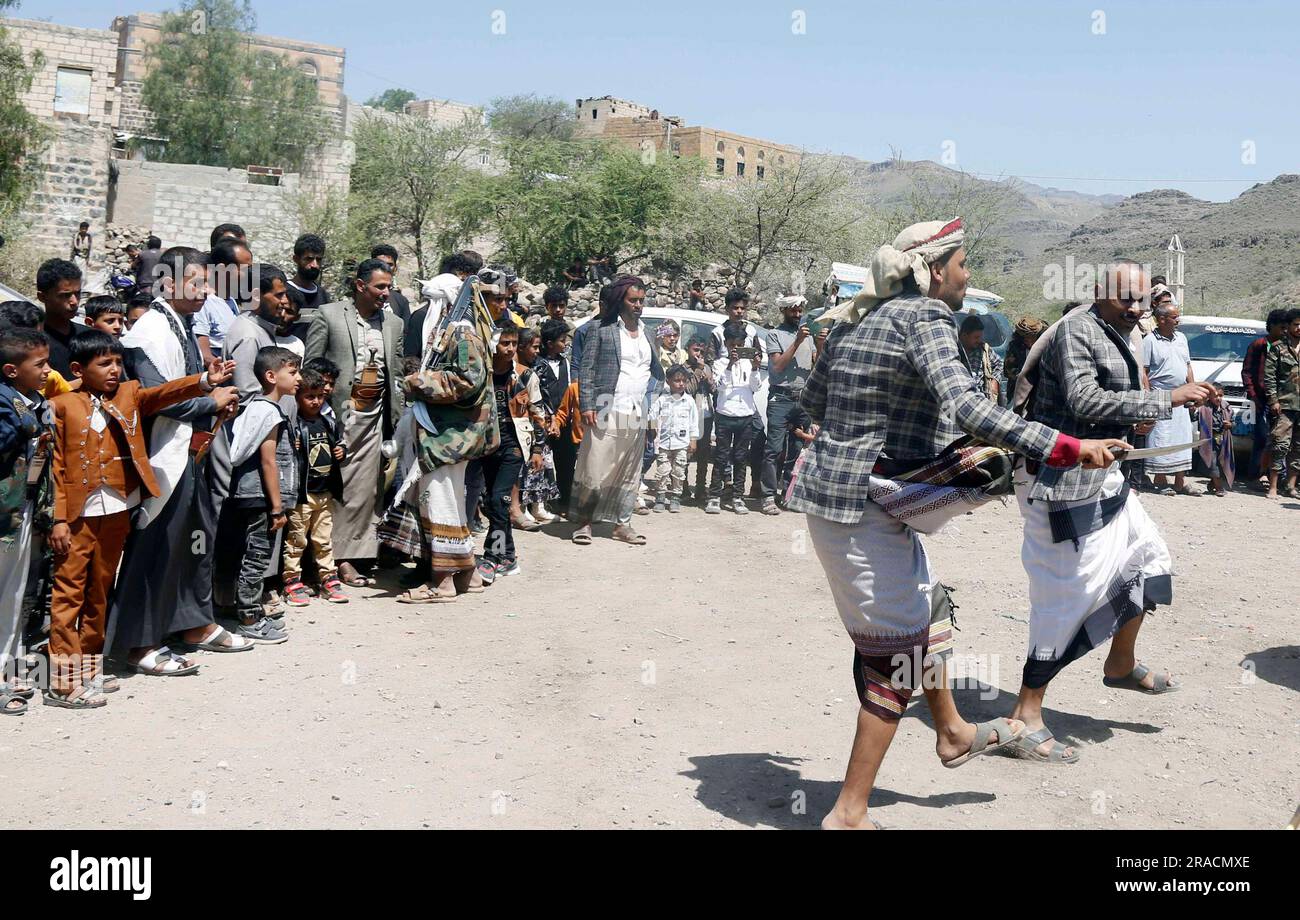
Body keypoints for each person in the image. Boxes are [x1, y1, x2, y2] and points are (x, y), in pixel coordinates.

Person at [787, 218, 1124, 829]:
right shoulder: (925, 317)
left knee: (930, 611)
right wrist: (1068, 446)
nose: (970, 276)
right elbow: (969, 406)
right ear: (935, 270)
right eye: (964, 264)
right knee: (894, 660)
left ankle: (953, 732)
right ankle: (847, 815)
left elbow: (808, 409)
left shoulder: (854, 317)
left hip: (853, 501)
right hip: (862, 511)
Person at [1006, 261, 1212, 762]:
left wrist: (1142, 413)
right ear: (1099, 292)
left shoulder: (1119, 329)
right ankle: (1024, 715)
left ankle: (1120, 664)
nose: (1139, 310)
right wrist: (1165, 400)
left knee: (1148, 558)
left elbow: (1115, 399)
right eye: (1128, 300)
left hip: (1107, 477)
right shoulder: (1078, 329)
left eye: (1144, 300)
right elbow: (1084, 398)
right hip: (1061, 483)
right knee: (1065, 597)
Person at [47, 330, 233, 706]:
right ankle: (63, 680)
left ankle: (90, 666)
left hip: (117, 510)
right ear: (78, 369)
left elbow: (161, 394)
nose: (115, 370)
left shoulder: (128, 394)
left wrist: (202, 382)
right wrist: (59, 519)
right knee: (68, 593)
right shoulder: (62, 405)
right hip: (78, 516)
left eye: (117, 362)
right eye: (105, 364)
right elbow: (57, 468)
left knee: (100, 590)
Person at [107, 247, 250, 673]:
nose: (207, 291)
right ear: (170, 283)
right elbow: (155, 400)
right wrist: (210, 401)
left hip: (192, 451)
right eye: (198, 282)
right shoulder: (148, 333)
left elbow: (186, 386)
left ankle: (194, 623)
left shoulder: (181, 325)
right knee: (156, 547)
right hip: (161, 457)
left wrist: (213, 389)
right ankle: (139, 643)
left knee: (195, 541)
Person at [380, 282, 495, 604]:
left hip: (448, 439)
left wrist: (418, 381)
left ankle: (442, 583)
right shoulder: (451, 332)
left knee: (439, 503)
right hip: (444, 436)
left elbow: (468, 380)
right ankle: (469, 575)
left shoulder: (463, 335)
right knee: (451, 504)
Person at [304, 259, 404, 586]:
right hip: (339, 413)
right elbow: (313, 368)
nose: (386, 293)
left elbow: (397, 375)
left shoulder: (394, 324)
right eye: (380, 287)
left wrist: (397, 418)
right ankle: (330, 558)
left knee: (367, 487)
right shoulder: (330, 315)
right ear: (360, 286)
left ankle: (354, 554)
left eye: (388, 287)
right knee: (339, 483)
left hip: (374, 415)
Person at [214, 346, 301, 642]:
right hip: (261, 499)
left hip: (252, 497)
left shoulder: (261, 409)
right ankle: (249, 618)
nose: (298, 378)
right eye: (293, 372)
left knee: (247, 554)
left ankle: (238, 609)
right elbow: (268, 461)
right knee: (256, 557)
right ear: (271, 376)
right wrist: (277, 508)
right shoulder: (267, 412)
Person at [570, 276, 663, 546]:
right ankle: (585, 523)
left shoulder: (648, 332)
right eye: (633, 300)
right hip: (606, 408)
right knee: (594, 467)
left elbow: (655, 371)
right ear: (620, 301)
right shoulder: (601, 329)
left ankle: (622, 524)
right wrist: (587, 404)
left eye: (641, 301)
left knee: (630, 472)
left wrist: (652, 400)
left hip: (636, 412)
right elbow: (585, 370)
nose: (638, 305)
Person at [0, 328, 53, 715]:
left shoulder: (32, 399)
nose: (48, 371)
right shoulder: (7, 404)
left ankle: (9, 663)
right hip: (4, 512)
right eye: (40, 365)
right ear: (11, 370)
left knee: (15, 592)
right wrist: (27, 425)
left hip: (22, 508)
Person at [283, 368, 348, 605]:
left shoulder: (328, 422)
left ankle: (328, 579)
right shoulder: (294, 425)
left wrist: (342, 451)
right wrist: (293, 446)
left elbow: (337, 447)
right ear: (297, 397)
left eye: (320, 396)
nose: (316, 401)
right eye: (310, 396)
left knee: (323, 540)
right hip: (303, 495)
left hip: (324, 493)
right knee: (296, 540)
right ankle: (292, 581)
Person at [761, 295, 821, 514]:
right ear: (783, 311)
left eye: (799, 311)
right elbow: (777, 366)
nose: (797, 315)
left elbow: (817, 365)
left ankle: (788, 493)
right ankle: (768, 495)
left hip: (802, 398)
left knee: (796, 449)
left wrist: (820, 343)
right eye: (792, 311)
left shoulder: (808, 337)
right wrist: (796, 341)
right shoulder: (774, 335)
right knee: (774, 449)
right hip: (781, 398)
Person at [1142, 299, 1200, 495]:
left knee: (1182, 438)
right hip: (1161, 395)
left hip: (1182, 396)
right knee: (1162, 438)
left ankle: (1180, 481)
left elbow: (1187, 365)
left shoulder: (1182, 338)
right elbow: (1144, 370)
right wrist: (1148, 395)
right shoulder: (1150, 340)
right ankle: (1160, 480)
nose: (1178, 320)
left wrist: (1192, 390)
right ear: (1161, 319)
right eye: (1174, 317)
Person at [706, 321, 763, 515]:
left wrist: (755, 368)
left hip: (745, 414)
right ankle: (714, 495)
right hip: (725, 415)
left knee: (740, 457)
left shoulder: (749, 363)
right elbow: (719, 387)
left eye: (740, 346)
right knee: (721, 456)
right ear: (726, 344)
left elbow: (756, 388)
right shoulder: (719, 363)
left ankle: (738, 496)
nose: (736, 349)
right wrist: (730, 363)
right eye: (732, 345)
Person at [226, 264, 292, 403]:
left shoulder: (260, 328)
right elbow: (247, 394)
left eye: (285, 294)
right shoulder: (248, 335)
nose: (285, 301)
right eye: (279, 295)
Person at [515, 327, 559, 525]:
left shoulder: (538, 367)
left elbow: (545, 398)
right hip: (521, 426)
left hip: (536, 424)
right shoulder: (512, 370)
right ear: (521, 347)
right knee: (522, 470)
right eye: (533, 347)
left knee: (539, 465)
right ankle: (522, 508)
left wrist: (551, 418)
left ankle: (537, 506)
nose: (536, 351)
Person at [647, 364, 699, 513]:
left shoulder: (689, 402)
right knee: (662, 471)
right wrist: (652, 428)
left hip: (682, 444)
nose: (681, 384)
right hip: (664, 444)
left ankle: (676, 498)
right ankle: (660, 498)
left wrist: (693, 440)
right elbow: (651, 416)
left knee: (679, 472)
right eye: (677, 380)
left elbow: (693, 423)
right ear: (668, 381)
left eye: (684, 380)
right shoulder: (662, 400)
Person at [535, 319, 575, 509]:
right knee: (543, 461)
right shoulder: (538, 364)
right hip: (543, 421)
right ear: (550, 344)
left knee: (566, 462)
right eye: (561, 340)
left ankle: (565, 500)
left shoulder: (565, 362)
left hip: (564, 420)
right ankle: (543, 503)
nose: (565, 343)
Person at [1243, 309, 1285, 485]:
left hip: (1283, 401)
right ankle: (1256, 475)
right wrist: (1253, 396)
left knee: (1280, 439)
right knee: (1261, 437)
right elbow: (1247, 372)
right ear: (1272, 326)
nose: (1284, 331)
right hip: (1260, 400)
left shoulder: (1287, 347)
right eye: (1281, 327)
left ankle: (1277, 476)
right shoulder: (1259, 345)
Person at [1264, 307, 1300, 501]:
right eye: (1296, 324)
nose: (1299, 328)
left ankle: (1291, 486)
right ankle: (1273, 486)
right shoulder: (1278, 348)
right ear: (1289, 326)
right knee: (1280, 445)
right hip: (1284, 405)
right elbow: (1269, 377)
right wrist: (1273, 400)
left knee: (1298, 448)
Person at [195, 238, 250, 363]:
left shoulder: (231, 301)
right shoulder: (203, 303)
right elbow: (204, 356)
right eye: (245, 269)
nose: (250, 274)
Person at [36, 258, 89, 378]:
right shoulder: (31, 343)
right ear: (42, 297)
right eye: (65, 295)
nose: (74, 302)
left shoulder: (89, 337)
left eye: (78, 293)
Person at [287, 234, 328, 340]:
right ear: (296, 259)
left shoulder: (324, 296)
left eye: (318, 259)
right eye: (309, 259)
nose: (314, 265)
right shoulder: (284, 292)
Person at [956, 314, 1003, 402]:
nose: (979, 340)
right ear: (964, 335)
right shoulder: (954, 351)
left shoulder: (983, 350)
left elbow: (999, 364)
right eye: (976, 337)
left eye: (980, 337)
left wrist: (995, 380)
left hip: (981, 401)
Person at [1201, 383, 1235, 497]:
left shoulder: (1227, 408)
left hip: (1223, 439)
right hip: (1209, 440)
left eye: (1220, 395)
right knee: (1213, 463)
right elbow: (1194, 417)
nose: (1218, 398)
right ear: (1209, 396)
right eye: (1215, 396)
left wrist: (1230, 424)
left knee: (1222, 463)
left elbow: (1234, 423)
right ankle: (1219, 488)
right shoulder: (1204, 408)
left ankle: (1212, 484)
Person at [1003, 314, 1046, 391]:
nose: (1029, 343)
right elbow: (1008, 370)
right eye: (1026, 340)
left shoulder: (1045, 347)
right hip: (1018, 390)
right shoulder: (1014, 347)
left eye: (1032, 340)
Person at [371, 244, 411, 323]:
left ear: (395, 268)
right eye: (380, 264)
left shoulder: (401, 301)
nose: (385, 268)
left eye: (390, 265)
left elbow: (405, 332)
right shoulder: (362, 296)